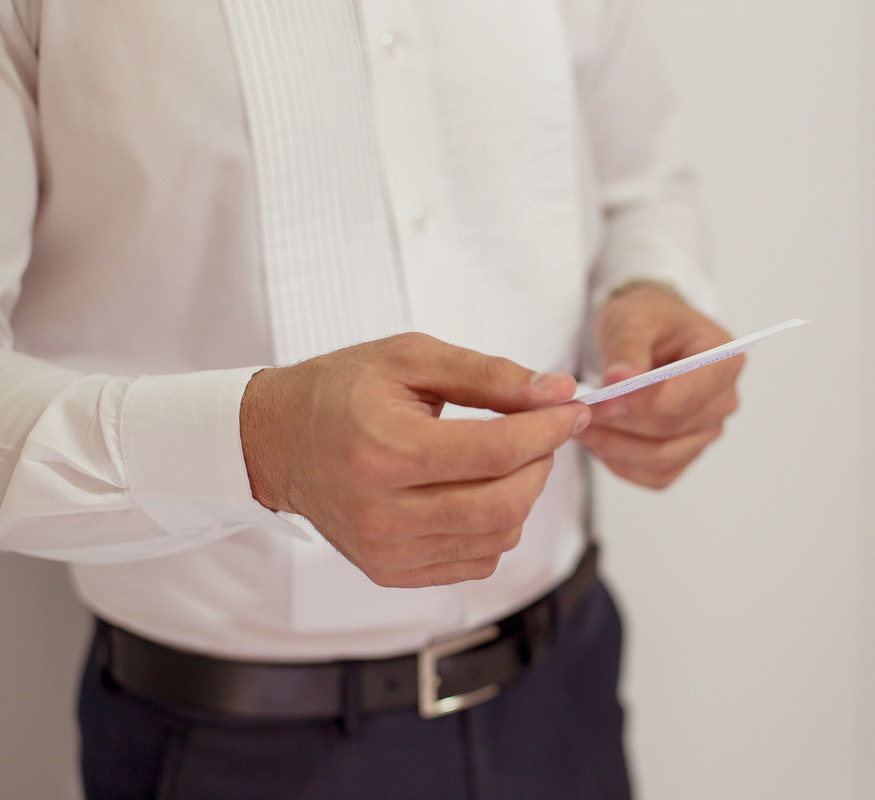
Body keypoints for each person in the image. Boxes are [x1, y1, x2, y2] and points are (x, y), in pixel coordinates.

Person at [0, 1, 743, 798]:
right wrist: (263, 448)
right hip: (231, 755)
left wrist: (648, 289)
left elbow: (644, 189)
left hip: (565, 699)